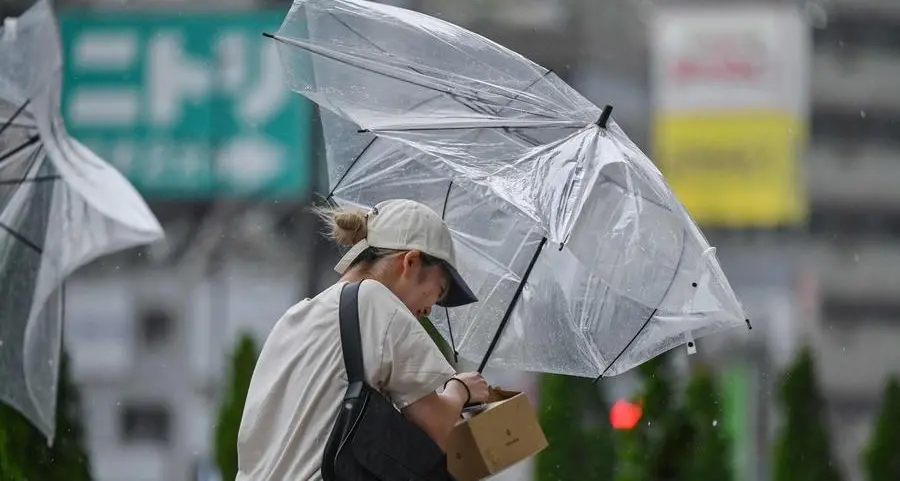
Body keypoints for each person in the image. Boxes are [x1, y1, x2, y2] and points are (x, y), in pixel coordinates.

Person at [235, 199, 490, 481]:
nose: (430, 309)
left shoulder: (296, 316)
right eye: (438, 291)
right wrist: (460, 389)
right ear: (411, 261)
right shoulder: (378, 302)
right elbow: (436, 425)